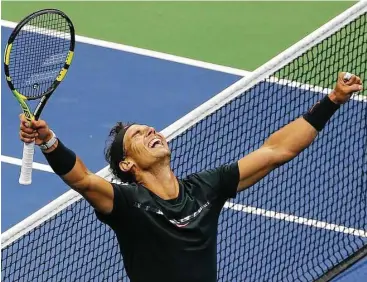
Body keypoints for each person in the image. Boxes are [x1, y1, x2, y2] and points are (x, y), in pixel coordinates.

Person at [19, 72, 362, 282]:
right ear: (127, 165)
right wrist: (48, 140)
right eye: (138, 135)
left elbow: (275, 152)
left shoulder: (205, 189)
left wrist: (332, 100)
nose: (151, 130)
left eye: (150, 128)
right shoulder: (128, 204)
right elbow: (82, 179)